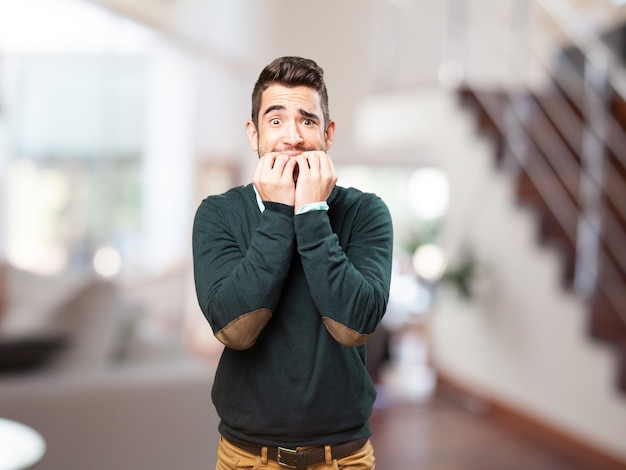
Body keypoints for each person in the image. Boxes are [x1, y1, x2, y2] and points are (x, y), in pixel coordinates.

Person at [192, 56, 393, 470]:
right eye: (277, 120)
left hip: (345, 458)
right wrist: (280, 213)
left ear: (328, 133)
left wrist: (313, 211)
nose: (293, 137)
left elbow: (355, 326)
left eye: (308, 121)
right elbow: (236, 331)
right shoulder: (218, 214)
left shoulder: (367, 212)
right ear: (255, 134)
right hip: (247, 458)